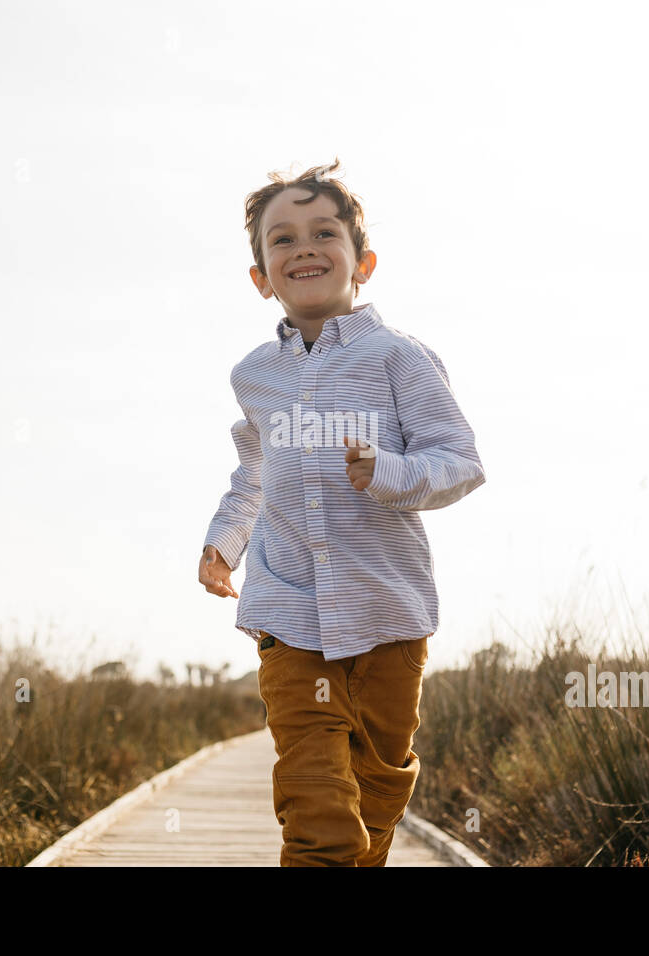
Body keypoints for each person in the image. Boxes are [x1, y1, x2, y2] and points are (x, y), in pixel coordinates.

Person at [198, 157, 486, 866]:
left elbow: (460, 463)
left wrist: (387, 473)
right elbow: (256, 472)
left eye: (324, 232)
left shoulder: (399, 359)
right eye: (282, 239)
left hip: (387, 613)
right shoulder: (254, 376)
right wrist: (225, 540)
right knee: (317, 800)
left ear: (365, 261)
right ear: (261, 277)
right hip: (288, 613)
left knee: (377, 788)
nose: (304, 248)